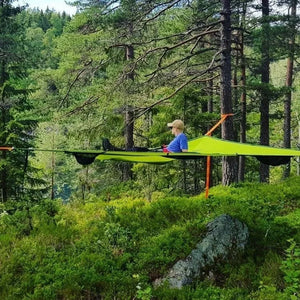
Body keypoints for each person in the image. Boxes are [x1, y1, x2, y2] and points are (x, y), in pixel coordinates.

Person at [102, 119, 188, 153]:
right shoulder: (178, 137)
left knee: (136, 150)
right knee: (137, 149)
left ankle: (113, 149)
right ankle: (113, 149)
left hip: (163, 153)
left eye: (171, 128)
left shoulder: (182, 136)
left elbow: (185, 152)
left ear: (176, 128)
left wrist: (170, 152)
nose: (171, 129)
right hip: (163, 151)